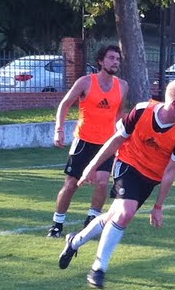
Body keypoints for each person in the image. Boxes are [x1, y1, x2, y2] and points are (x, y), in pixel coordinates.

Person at [56, 79, 175, 289]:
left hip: (150, 177)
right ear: (174, 104)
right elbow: (116, 139)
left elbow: (170, 172)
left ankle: (75, 241)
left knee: (115, 216)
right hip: (128, 163)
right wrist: (91, 167)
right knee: (125, 213)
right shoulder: (142, 110)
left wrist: (158, 206)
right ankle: (98, 268)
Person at [48, 45, 129, 237]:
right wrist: (59, 130)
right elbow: (64, 105)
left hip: (107, 143)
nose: (115, 62)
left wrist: (123, 137)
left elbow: (119, 113)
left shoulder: (123, 86)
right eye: (111, 58)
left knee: (102, 182)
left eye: (118, 59)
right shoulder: (85, 82)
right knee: (71, 184)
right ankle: (57, 224)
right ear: (101, 61)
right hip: (84, 141)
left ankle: (91, 221)